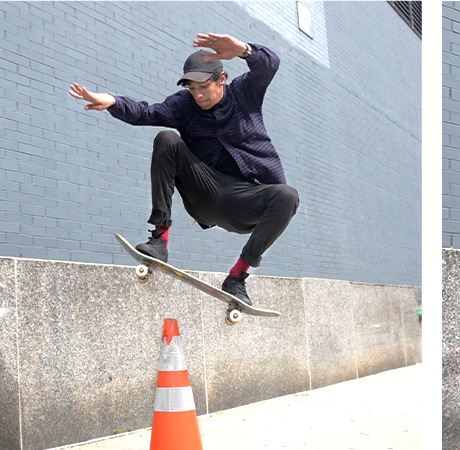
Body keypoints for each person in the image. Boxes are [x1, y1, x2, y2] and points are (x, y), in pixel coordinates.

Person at [68, 33, 299, 306]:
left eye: (203, 87)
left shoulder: (244, 93)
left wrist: (243, 50)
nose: (198, 95)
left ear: (221, 79)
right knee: (167, 139)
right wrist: (113, 102)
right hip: (206, 194)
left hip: (246, 200)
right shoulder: (184, 105)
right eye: (192, 88)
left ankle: (237, 277)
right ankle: (159, 240)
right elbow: (146, 112)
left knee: (288, 196)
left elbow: (270, 65)